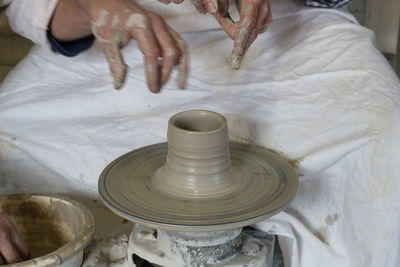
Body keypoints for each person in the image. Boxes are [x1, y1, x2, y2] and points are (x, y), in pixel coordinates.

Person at [2, 0, 399, 266]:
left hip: (288, 32)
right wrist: (93, 5)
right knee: (10, 143)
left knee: (387, 147)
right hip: (111, 42)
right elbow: (34, 9)